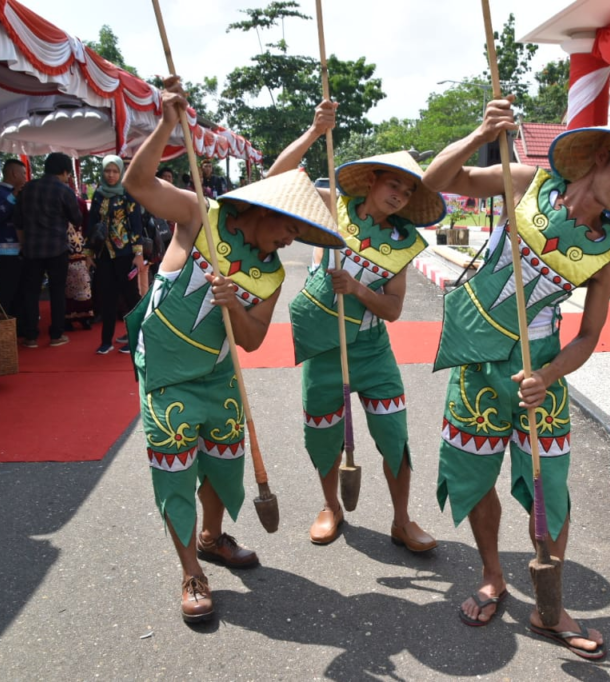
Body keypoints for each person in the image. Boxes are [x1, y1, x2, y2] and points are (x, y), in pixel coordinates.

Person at [423, 95, 610, 659]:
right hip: (478, 364)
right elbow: (439, 180)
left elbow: (590, 337)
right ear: (598, 157)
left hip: (539, 377)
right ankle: (493, 577)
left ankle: (550, 604)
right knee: (476, 474)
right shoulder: (529, 183)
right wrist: (480, 132)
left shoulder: (608, 254)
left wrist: (546, 375)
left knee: (550, 492)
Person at [122, 78, 344, 624]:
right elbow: (137, 181)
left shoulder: (268, 272)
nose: (292, 242)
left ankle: (213, 536)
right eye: (291, 227)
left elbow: (250, 338)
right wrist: (169, 125)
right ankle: (190, 574)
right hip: (168, 379)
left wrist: (235, 304)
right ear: (265, 211)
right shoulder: (201, 213)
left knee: (224, 466)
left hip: (219, 377)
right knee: (175, 475)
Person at [276, 110, 444, 549]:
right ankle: (330, 506)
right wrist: (314, 131)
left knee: (394, 435)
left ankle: (402, 520)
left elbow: (392, 308)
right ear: (371, 181)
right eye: (394, 184)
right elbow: (277, 179)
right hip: (322, 346)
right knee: (323, 434)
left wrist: (356, 289)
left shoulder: (404, 243)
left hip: (371, 349)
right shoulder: (334, 207)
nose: (400, 195)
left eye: (408, 191)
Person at [15, 152, 84, 348]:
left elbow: (18, 221)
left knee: (31, 292)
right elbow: (77, 219)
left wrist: (23, 244)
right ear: (64, 172)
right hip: (56, 248)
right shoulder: (64, 190)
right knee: (57, 292)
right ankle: (56, 335)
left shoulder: (27, 188)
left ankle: (30, 336)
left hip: (31, 249)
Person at [85, 156, 144, 354]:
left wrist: (138, 253)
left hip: (125, 253)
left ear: (120, 173)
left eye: (115, 171)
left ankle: (136, 338)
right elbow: (91, 224)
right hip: (103, 254)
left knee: (130, 297)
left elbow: (136, 224)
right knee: (107, 296)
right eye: (107, 171)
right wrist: (89, 252)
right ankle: (106, 340)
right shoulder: (99, 195)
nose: (110, 175)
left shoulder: (128, 194)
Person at [0, 158, 27, 333]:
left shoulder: (20, 193)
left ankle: (17, 328)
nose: (25, 177)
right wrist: (13, 197)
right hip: (3, 254)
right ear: (13, 174)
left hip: (20, 251)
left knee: (20, 291)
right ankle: (2, 330)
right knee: (6, 293)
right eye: (23, 173)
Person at [65, 180, 94, 331]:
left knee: (83, 284)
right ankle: (68, 317)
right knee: (67, 287)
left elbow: (88, 226)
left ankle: (85, 317)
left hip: (79, 249)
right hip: (65, 250)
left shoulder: (80, 203)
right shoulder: (59, 202)